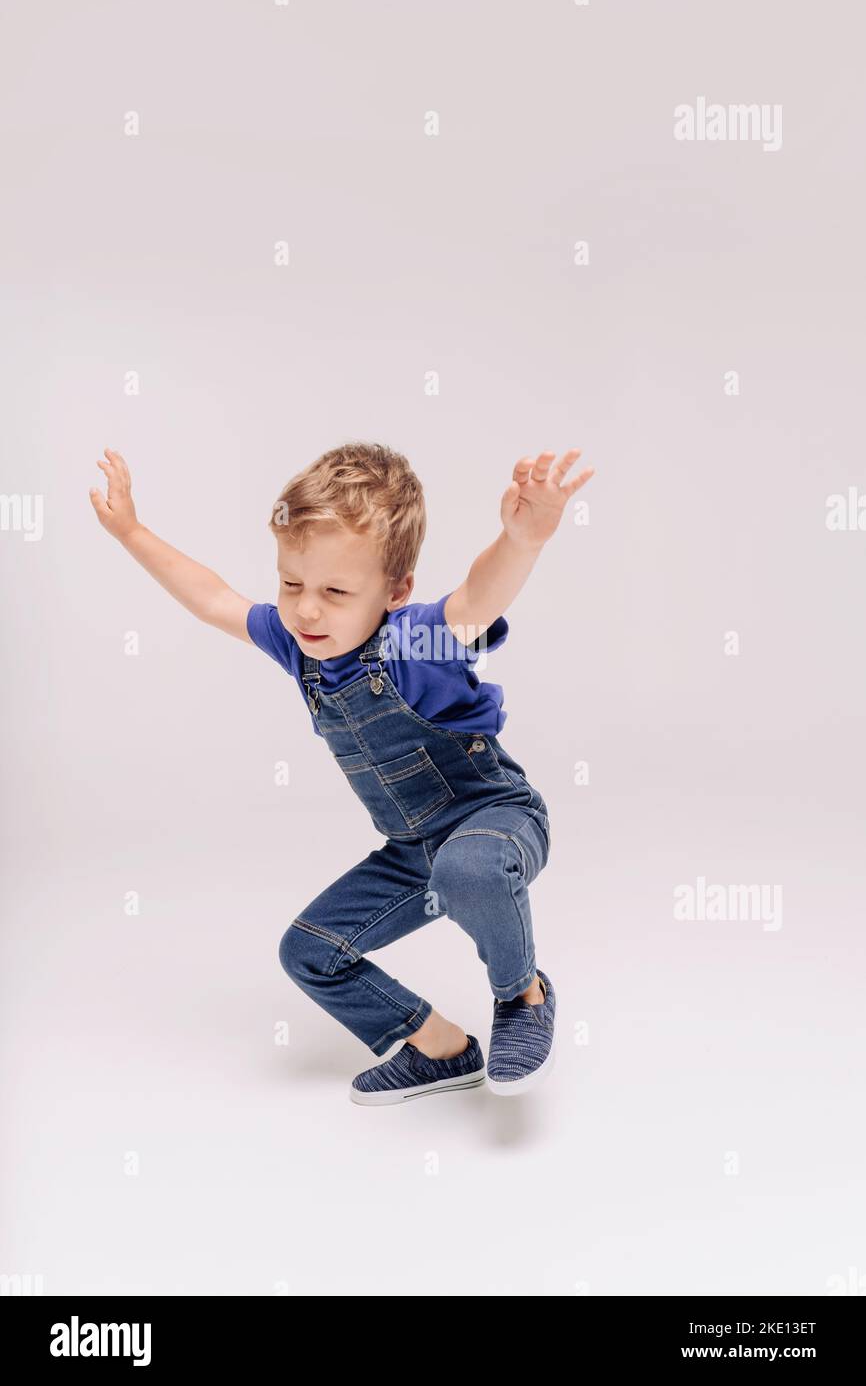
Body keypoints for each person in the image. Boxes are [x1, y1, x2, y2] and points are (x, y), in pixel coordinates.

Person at [90, 441, 594, 1105]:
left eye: (334, 591)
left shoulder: (416, 641)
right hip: (413, 855)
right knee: (309, 952)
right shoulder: (298, 649)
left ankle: (523, 995)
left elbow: (476, 598)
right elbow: (212, 597)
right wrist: (129, 530)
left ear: (396, 591)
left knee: (465, 870)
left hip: (495, 825)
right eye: (291, 583)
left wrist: (521, 539)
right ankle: (437, 1047)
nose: (305, 610)